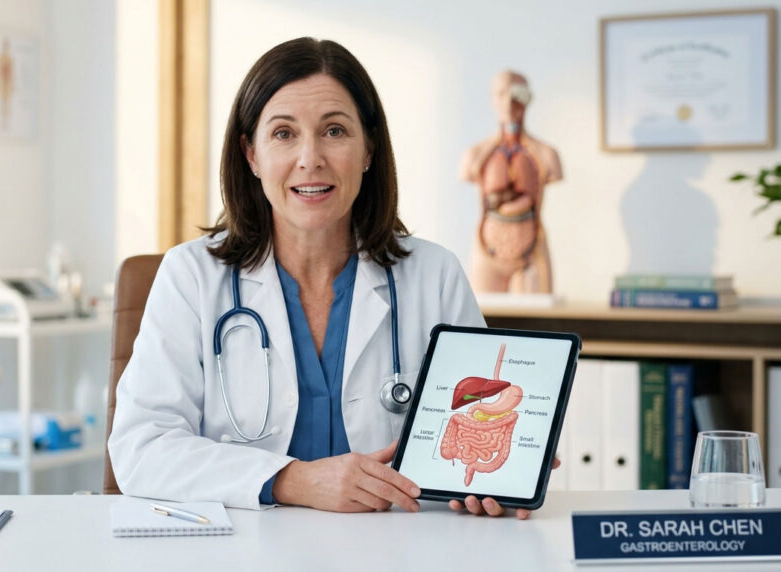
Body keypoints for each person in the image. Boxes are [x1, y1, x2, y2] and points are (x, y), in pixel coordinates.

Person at [109, 37, 540, 518]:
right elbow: (140, 448)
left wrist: (499, 471)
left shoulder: (434, 275)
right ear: (250, 154)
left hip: (396, 550)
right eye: (283, 134)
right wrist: (293, 479)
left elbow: (480, 416)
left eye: (334, 131)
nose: (310, 158)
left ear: (369, 149)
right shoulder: (191, 276)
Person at [459, 70, 563, 294]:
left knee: (534, 325)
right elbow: (470, 171)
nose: (508, 101)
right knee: (481, 324)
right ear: (492, 99)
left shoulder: (545, 154)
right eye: (501, 93)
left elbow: (551, 171)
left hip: (531, 251)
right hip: (488, 251)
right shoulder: (476, 154)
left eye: (516, 94)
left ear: (527, 98)